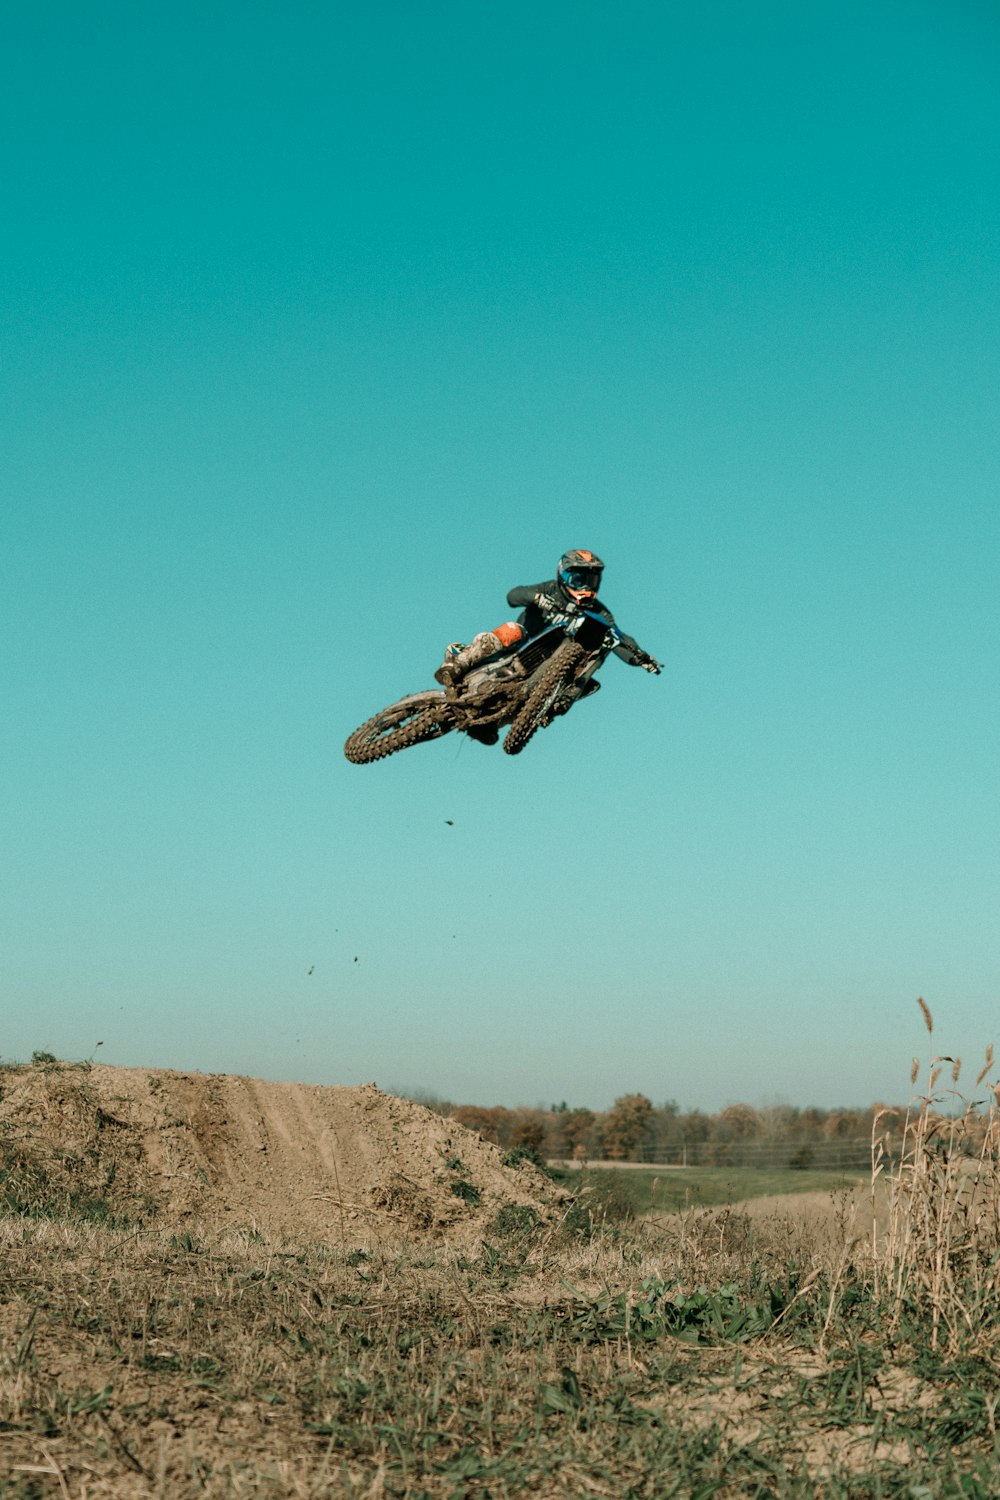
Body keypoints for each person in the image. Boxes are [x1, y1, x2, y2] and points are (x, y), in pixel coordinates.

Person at [434, 550, 661, 741]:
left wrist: (640, 658)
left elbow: (618, 637)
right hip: (516, 647)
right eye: (578, 579)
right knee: (513, 629)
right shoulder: (550, 590)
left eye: (591, 581)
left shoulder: (599, 612)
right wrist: (535, 598)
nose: (585, 586)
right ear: (563, 576)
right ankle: (459, 660)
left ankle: (500, 721)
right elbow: (513, 595)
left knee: (597, 659)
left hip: (545, 665)